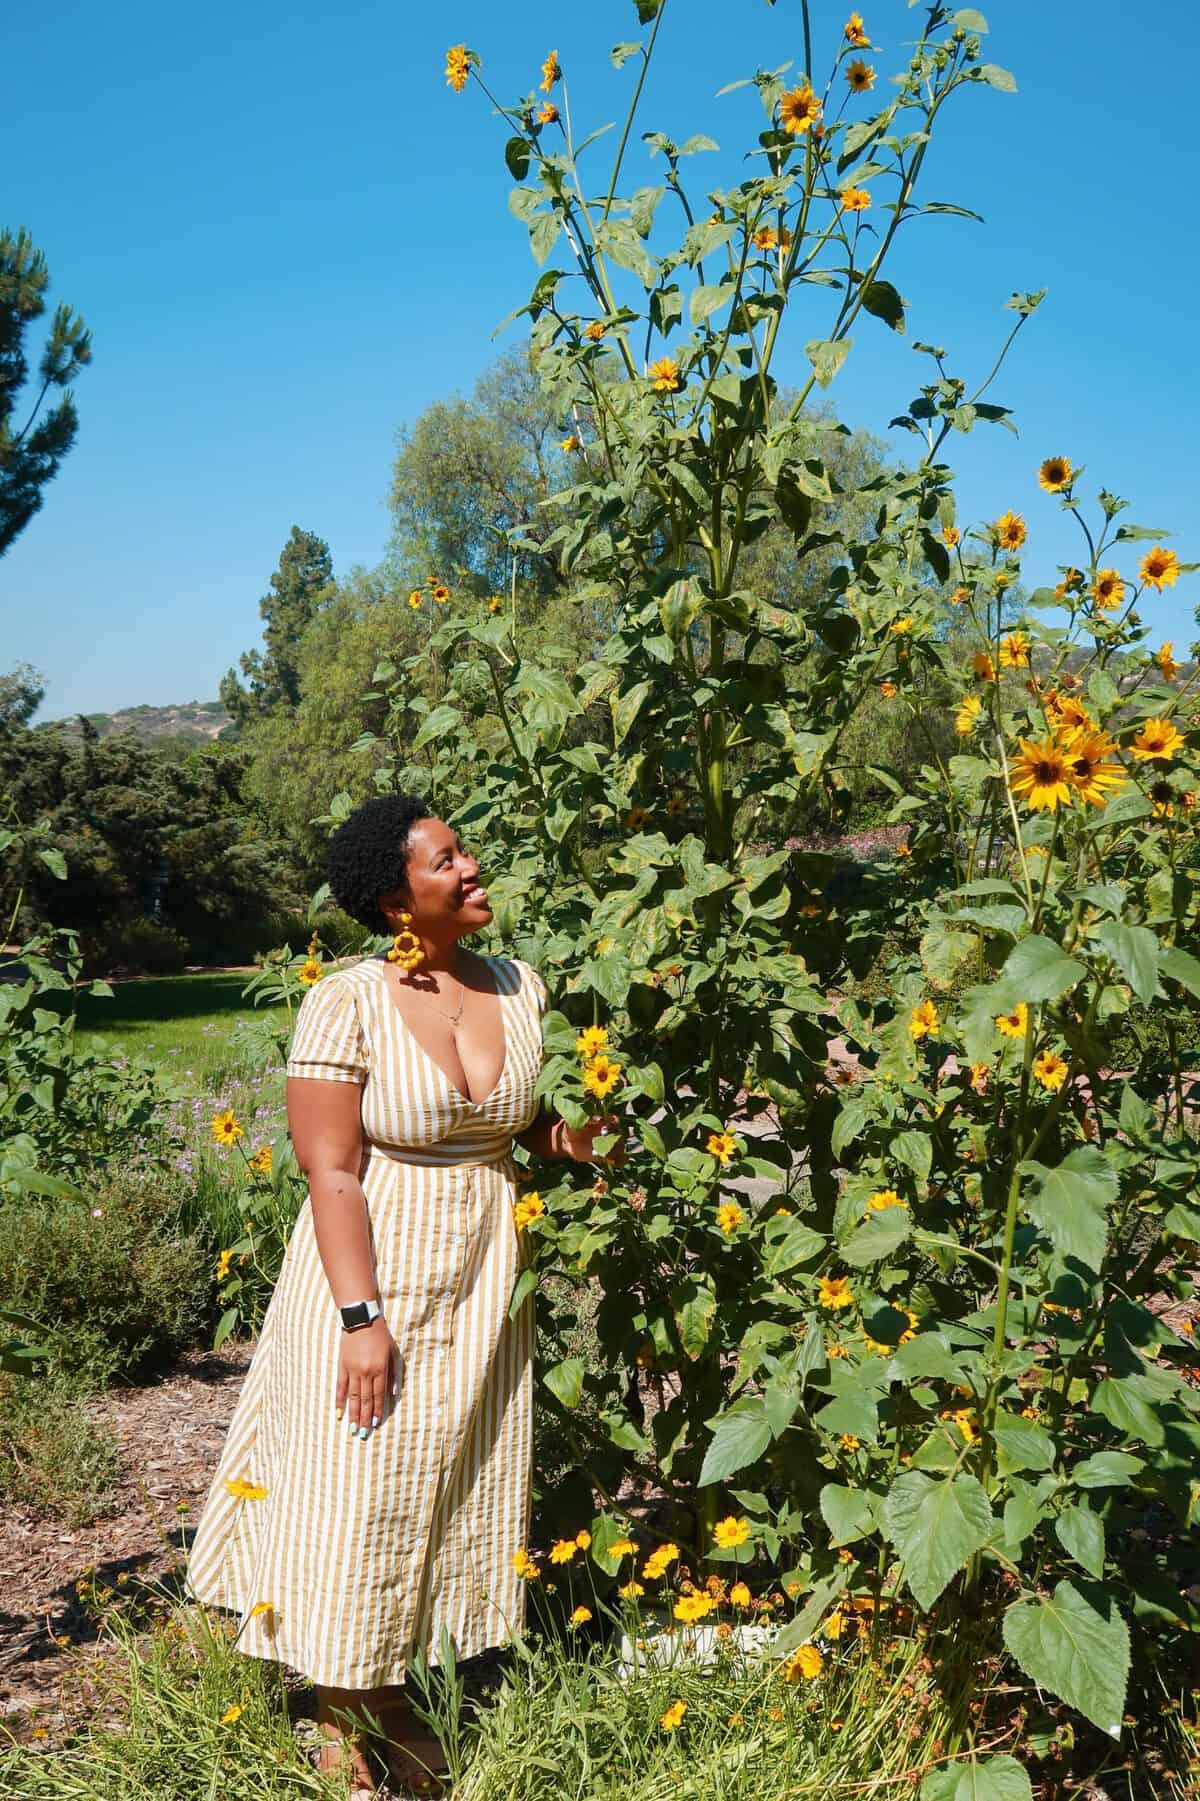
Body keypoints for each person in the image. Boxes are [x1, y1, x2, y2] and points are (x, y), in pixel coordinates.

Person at [185, 794, 619, 1796]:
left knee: (455, 1487)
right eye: (445, 860)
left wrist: (586, 1138)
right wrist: (360, 1320)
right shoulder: (348, 999)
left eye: (464, 850)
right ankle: (348, 1738)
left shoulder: (520, 985)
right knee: (361, 1493)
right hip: (371, 1272)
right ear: (395, 901)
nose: (471, 867)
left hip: (481, 1279)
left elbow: (521, 1126)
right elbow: (330, 1169)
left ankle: (412, 1707)